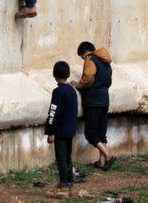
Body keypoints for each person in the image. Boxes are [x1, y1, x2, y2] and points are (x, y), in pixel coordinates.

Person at [70, 41, 116, 170]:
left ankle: (107, 155)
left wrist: (77, 85)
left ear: (85, 52)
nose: (82, 59)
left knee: (90, 133)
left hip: (92, 101)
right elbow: (109, 81)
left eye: (81, 57)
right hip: (104, 99)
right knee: (102, 133)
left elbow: (88, 79)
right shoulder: (106, 62)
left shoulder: (90, 60)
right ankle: (102, 162)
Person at [45, 61, 79, 199]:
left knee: (61, 158)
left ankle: (64, 185)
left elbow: (53, 112)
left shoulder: (58, 91)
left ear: (54, 74)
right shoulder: (72, 90)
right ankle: (69, 184)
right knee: (67, 157)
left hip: (60, 130)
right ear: (68, 74)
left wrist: (50, 131)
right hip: (70, 129)